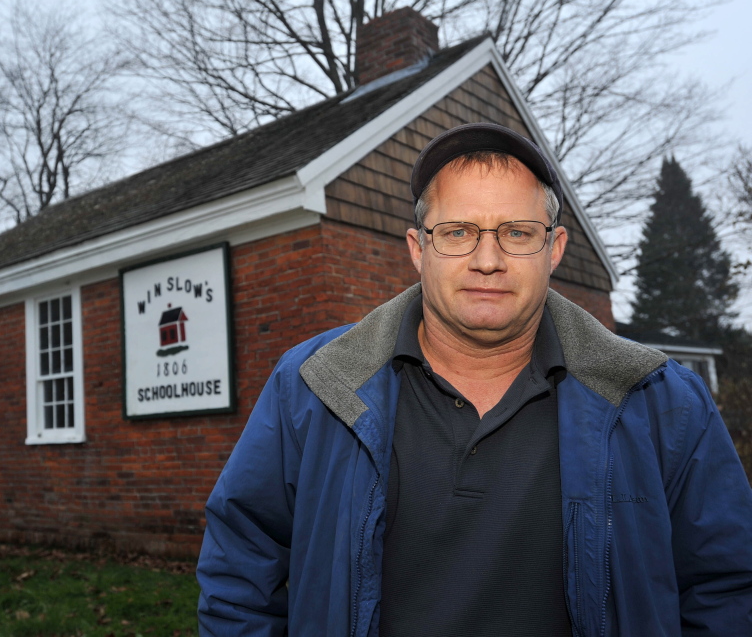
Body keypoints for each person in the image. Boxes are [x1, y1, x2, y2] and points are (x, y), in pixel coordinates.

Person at [196, 122, 752, 636]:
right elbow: (240, 570)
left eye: (517, 232)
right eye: (458, 231)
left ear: (554, 249)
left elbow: (727, 589)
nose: (488, 259)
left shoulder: (662, 402)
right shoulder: (314, 385)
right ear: (419, 250)